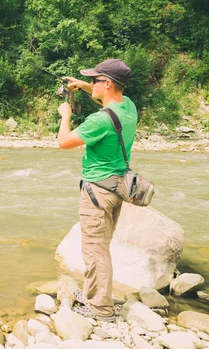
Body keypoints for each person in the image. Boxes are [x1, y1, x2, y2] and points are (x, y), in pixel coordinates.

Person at [56, 59, 137, 322]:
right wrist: (82, 86)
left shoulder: (99, 120)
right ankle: (95, 294)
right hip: (115, 187)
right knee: (100, 246)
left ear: (108, 83)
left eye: (94, 80)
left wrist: (65, 116)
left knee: (94, 249)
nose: (91, 84)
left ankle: (100, 309)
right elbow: (108, 106)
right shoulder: (128, 107)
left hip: (97, 192)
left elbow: (65, 142)